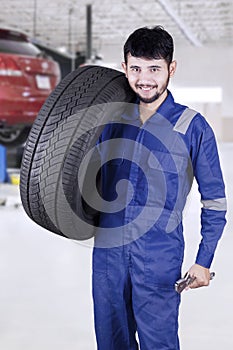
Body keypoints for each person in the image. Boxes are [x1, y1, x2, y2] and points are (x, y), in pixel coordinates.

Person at [92, 26, 227, 350]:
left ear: (171, 68)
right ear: (124, 68)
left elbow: (216, 202)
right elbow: (83, 179)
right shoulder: (110, 122)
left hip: (158, 258)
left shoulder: (192, 126)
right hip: (108, 256)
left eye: (154, 69)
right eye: (135, 68)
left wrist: (203, 259)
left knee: (159, 344)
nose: (144, 79)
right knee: (111, 342)